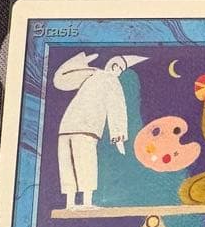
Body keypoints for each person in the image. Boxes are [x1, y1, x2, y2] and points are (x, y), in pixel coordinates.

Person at [53, 52, 147, 209]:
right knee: (86, 163)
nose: (118, 72)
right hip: (86, 128)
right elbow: (117, 109)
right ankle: (86, 202)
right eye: (119, 69)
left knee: (68, 164)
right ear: (115, 66)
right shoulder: (111, 80)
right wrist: (119, 138)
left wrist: (79, 60)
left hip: (66, 126)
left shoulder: (90, 74)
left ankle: (70, 203)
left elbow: (60, 79)